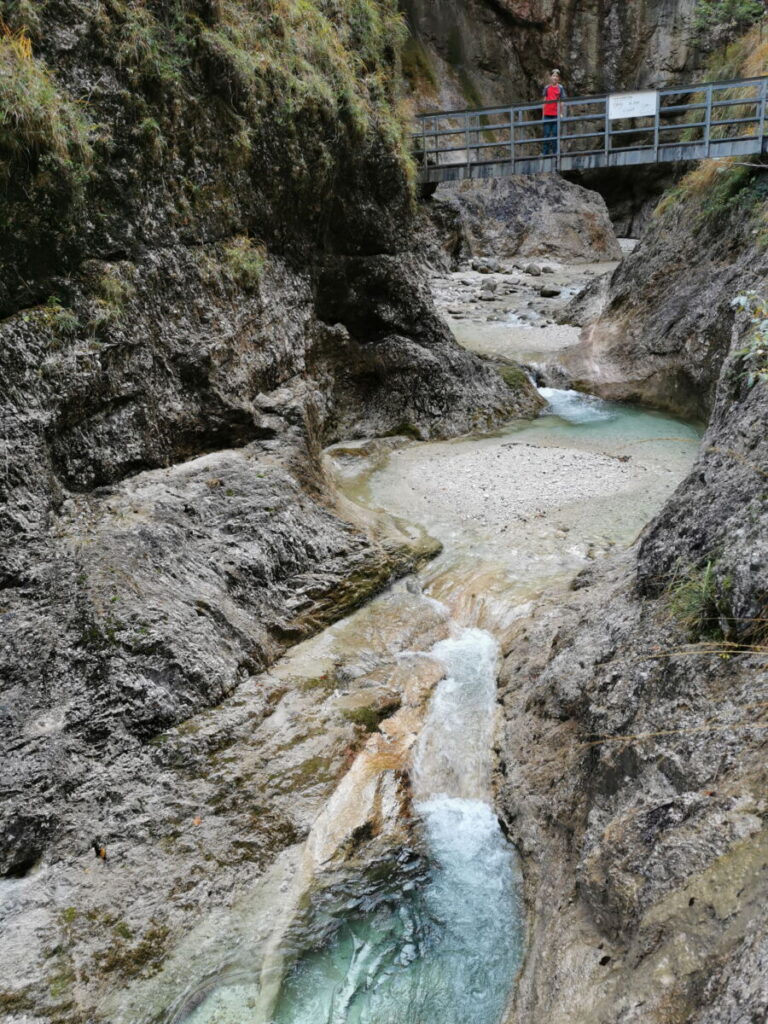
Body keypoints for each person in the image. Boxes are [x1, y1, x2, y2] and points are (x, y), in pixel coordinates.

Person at [541, 69, 566, 156]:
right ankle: (545, 152)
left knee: (555, 134)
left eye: (556, 76)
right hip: (547, 114)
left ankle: (555, 152)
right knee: (546, 134)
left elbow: (562, 102)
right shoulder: (547, 88)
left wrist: (561, 113)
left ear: (558, 78)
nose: (555, 78)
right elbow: (544, 101)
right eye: (553, 76)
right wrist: (543, 114)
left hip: (556, 114)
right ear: (550, 77)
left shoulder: (560, 88)